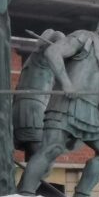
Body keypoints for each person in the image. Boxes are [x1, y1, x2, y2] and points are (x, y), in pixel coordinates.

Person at [17, 7, 99, 197]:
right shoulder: (85, 38)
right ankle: (25, 193)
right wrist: (66, 83)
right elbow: (53, 52)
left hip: (90, 111)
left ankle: (82, 195)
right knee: (51, 148)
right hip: (65, 104)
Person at [12, 29, 65, 160]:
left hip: (24, 106)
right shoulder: (46, 57)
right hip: (33, 109)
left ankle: (33, 179)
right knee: (41, 156)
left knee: (34, 154)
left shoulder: (35, 57)